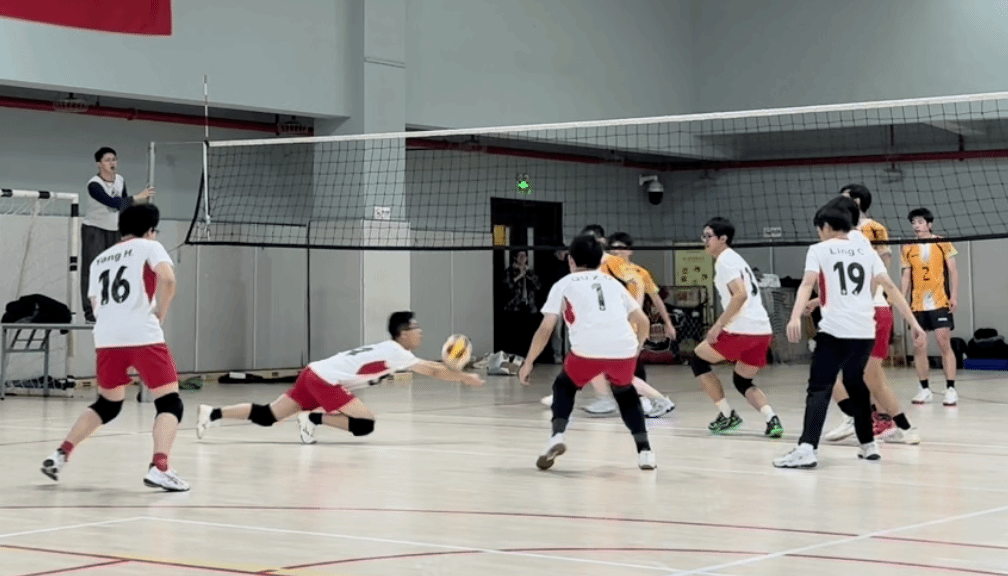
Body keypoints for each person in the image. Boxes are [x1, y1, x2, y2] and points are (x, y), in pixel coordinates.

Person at [41, 204, 188, 491]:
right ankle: (160, 467)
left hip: (106, 338)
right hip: (142, 335)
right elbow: (168, 279)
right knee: (170, 402)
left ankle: (60, 454)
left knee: (107, 404)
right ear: (150, 230)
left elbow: (94, 302)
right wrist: (161, 313)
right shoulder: (149, 246)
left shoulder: (100, 259)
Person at [774, 203, 925, 468]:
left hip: (835, 330)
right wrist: (913, 323)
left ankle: (807, 447)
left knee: (819, 387)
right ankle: (868, 445)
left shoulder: (819, 249)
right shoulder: (866, 250)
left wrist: (795, 316)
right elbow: (889, 287)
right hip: (864, 331)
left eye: (819, 228)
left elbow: (806, 284)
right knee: (856, 385)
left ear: (826, 227)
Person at [196, 312, 484, 444]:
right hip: (325, 380)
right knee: (365, 423)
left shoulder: (392, 350)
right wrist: (464, 377)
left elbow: (430, 367)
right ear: (402, 334)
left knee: (269, 415)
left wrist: (460, 374)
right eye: (415, 328)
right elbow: (432, 370)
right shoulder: (396, 351)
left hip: (313, 372)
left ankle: (212, 413)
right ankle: (313, 419)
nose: (420, 332)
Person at [519, 234, 656, 470]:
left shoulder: (564, 283)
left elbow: (546, 328)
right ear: (600, 259)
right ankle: (645, 452)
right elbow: (643, 321)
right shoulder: (613, 283)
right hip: (623, 349)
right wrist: (637, 347)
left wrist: (529, 362)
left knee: (564, 386)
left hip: (586, 352)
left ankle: (557, 436)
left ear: (570, 260)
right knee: (625, 393)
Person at [815, 192, 920, 445]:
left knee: (861, 375)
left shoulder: (854, 241)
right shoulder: (846, 244)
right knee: (858, 375)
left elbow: (877, 283)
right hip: (864, 312)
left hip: (867, 313)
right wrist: (817, 301)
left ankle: (885, 423)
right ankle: (878, 421)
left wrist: (912, 322)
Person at [691, 217, 783, 438]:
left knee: (697, 359)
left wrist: (718, 325)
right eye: (703, 236)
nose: (705, 240)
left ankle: (727, 415)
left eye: (709, 236)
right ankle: (771, 419)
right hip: (762, 331)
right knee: (742, 380)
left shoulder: (725, 261)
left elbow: (740, 295)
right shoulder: (736, 259)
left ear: (723, 239)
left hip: (741, 329)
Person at [81, 147, 155, 323]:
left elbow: (124, 205)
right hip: (95, 229)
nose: (112, 163)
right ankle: (90, 312)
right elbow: (113, 202)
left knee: (115, 269)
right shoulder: (94, 185)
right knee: (93, 269)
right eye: (107, 160)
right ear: (99, 164)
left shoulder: (120, 180)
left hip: (114, 230)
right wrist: (137, 197)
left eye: (114, 159)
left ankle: (112, 308)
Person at [901, 207, 959, 406]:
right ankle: (924, 389)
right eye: (913, 223)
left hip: (940, 301)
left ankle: (950, 389)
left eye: (920, 222)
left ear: (929, 224)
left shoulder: (942, 242)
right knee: (919, 347)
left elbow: (953, 271)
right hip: (917, 304)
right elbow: (906, 276)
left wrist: (955, 295)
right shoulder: (907, 247)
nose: (916, 226)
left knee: (944, 343)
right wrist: (901, 301)